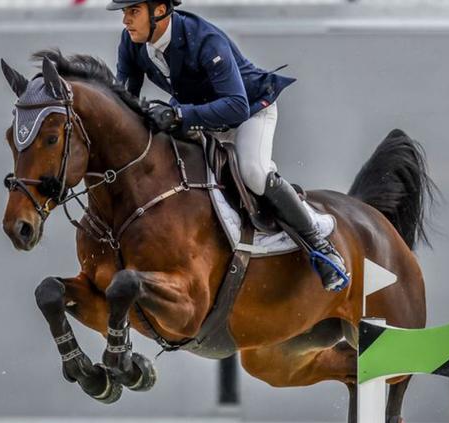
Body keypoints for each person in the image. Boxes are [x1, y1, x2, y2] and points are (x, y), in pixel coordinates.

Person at [107, 0, 349, 291]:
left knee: (254, 173)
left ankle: (321, 247)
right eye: (125, 13)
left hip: (249, 112)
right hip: (201, 114)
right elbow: (124, 100)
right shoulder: (132, 42)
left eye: (133, 12)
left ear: (159, 10)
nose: (125, 21)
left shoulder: (204, 40)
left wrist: (178, 115)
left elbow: (236, 106)